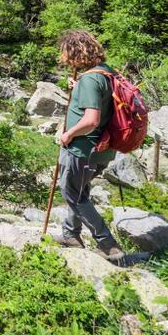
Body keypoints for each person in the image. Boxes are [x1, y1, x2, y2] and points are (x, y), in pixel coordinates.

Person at [53, 30, 125, 263]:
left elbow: (91, 119)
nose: (64, 58)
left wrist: (68, 135)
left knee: (72, 194)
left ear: (74, 53)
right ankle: (70, 234)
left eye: (65, 53)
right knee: (80, 192)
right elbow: (100, 101)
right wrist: (78, 86)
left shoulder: (90, 79)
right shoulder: (106, 73)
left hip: (82, 150)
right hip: (102, 149)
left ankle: (108, 245)